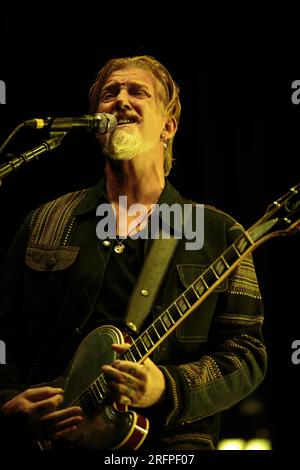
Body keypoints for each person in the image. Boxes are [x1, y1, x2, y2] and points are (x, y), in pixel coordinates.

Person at [0, 55, 267, 451]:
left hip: (172, 448)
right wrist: (6, 402)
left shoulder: (219, 232)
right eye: (110, 94)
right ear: (96, 127)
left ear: (168, 126)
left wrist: (166, 387)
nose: (120, 100)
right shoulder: (46, 222)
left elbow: (246, 354)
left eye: (137, 91)